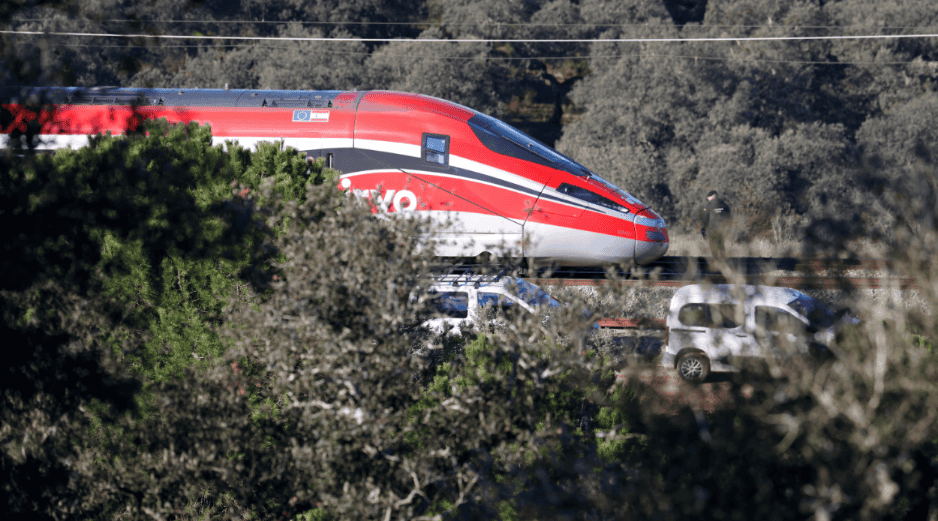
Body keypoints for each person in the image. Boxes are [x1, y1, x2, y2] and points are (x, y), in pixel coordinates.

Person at [700, 190, 731, 262]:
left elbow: (705, 218)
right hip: (721, 229)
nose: (708, 199)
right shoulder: (725, 205)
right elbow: (729, 217)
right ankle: (724, 261)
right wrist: (728, 228)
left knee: (713, 245)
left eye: (709, 198)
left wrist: (703, 229)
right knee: (721, 244)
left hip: (712, 229)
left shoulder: (708, 206)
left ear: (712, 196)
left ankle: (716, 261)